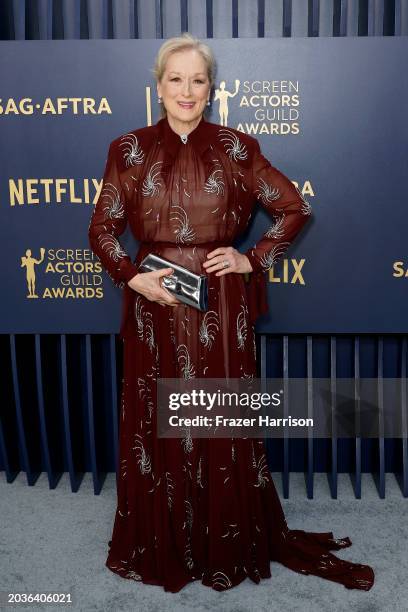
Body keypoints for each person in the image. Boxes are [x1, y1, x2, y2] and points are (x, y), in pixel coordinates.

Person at [88, 33, 374, 593]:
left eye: (198, 80)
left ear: (211, 89)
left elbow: (294, 207)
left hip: (221, 305)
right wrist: (134, 277)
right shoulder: (127, 149)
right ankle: (168, 541)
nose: (186, 90)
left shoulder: (240, 147)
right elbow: (100, 230)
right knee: (161, 421)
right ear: (159, 85)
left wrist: (252, 258)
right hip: (156, 303)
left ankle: (225, 540)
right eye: (176, 79)